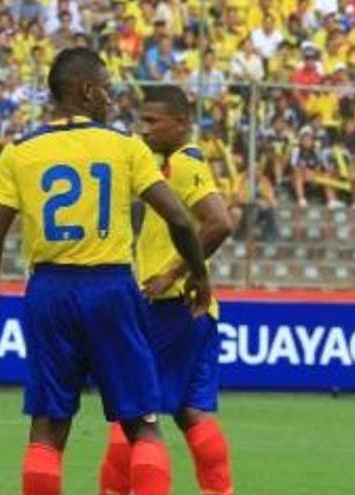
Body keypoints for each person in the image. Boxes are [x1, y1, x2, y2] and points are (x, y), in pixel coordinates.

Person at [0, 48, 210, 495]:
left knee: (47, 429)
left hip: (48, 292)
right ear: (85, 90)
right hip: (111, 288)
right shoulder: (124, 146)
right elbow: (179, 218)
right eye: (106, 88)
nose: (110, 98)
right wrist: (199, 275)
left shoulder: (18, 152)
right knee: (143, 424)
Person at [97, 86, 235, 495]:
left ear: (182, 123)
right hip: (193, 312)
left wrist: (173, 274)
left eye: (153, 122)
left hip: (168, 308)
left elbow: (219, 223)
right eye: (141, 121)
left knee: (133, 412)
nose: (144, 130)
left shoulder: (183, 163)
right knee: (191, 413)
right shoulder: (172, 164)